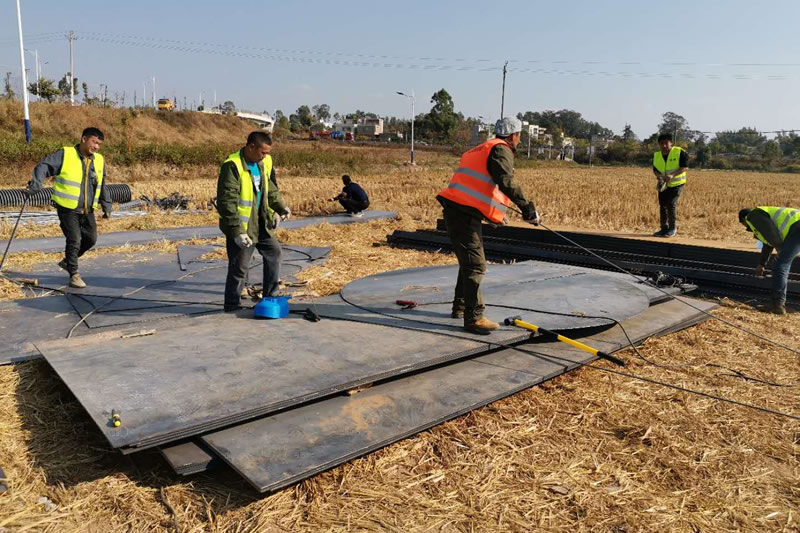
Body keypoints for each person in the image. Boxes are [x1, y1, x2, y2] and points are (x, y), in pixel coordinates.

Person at [436, 117, 540, 335]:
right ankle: (474, 318)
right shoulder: (501, 150)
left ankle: (461, 306)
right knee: (475, 265)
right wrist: (527, 207)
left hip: (459, 210)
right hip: (461, 213)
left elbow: (478, 188)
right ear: (514, 136)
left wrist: (494, 215)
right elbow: (506, 181)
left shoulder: (480, 149)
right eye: (519, 136)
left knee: (468, 261)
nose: (519, 140)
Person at [26, 127, 112, 288]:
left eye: (99, 144)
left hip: (88, 208)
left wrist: (106, 205)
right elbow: (43, 166)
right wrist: (36, 184)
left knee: (91, 239)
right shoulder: (65, 154)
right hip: (67, 207)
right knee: (75, 239)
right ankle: (74, 274)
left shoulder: (99, 160)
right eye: (94, 142)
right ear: (84, 139)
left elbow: (102, 183)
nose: (96, 147)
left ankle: (67, 261)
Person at [217, 131, 291, 312]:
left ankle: (270, 297)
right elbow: (227, 202)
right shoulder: (232, 166)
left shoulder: (263, 163)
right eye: (263, 152)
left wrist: (281, 208)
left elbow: (270, 189)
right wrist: (237, 232)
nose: (265, 156)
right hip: (243, 228)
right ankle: (232, 306)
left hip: (262, 224)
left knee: (274, 253)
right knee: (239, 267)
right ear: (251, 147)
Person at [739, 206, 800, 315]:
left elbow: (773, 237)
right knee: (782, 264)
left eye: (742, 224)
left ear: (743, 219)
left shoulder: (754, 216)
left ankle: (777, 305)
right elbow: (768, 243)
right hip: (796, 227)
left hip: (797, 226)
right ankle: (778, 303)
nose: (744, 228)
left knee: (780, 265)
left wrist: (780, 250)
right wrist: (762, 263)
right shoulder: (760, 218)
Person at [652, 133, 688, 237]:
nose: (663, 145)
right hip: (663, 184)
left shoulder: (680, 152)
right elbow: (655, 169)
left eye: (666, 143)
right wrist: (659, 177)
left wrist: (672, 175)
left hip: (677, 183)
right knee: (662, 205)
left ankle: (672, 228)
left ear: (671, 143)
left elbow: (685, 167)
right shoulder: (657, 155)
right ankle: (664, 229)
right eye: (661, 143)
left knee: (671, 204)